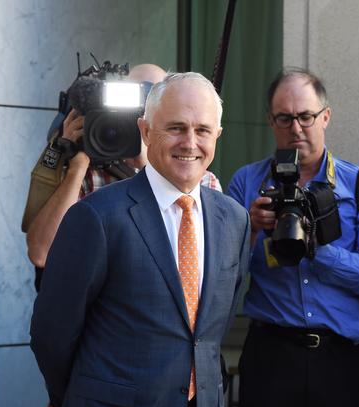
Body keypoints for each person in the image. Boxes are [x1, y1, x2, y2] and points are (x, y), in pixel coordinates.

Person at [30, 72, 250, 407]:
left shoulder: (234, 220)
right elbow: (51, 335)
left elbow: (209, 332)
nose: (190, 142)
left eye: (202, 129)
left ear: (218, 135)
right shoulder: (96, 216)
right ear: (146, 131)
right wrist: (87, 404)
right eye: (176, 128)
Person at [227, 67, 359, 407]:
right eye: (284, 118)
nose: (296, 128)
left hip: (342, 360)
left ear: (326, 117)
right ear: (270, 122)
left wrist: (316, 251)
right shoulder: (247, 183)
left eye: (305, 116)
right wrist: (249, 229)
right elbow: (218, 278)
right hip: (271, 354)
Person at [22, 63, 221, 279]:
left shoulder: (203, 183)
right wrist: (77, 161)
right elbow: (41, 253)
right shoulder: (88, 176)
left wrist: (150, 169)